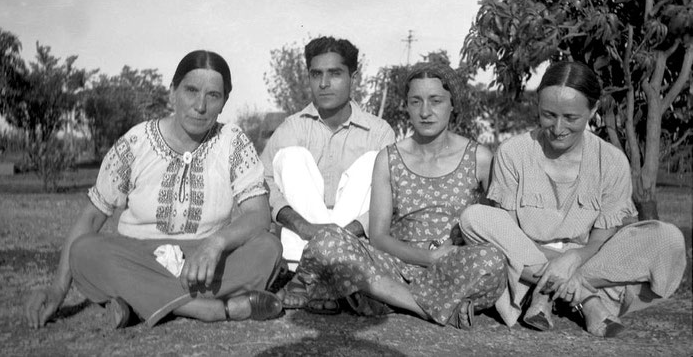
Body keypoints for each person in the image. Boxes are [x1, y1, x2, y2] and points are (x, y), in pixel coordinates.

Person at [24, 50, 283, 329]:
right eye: (191, 90)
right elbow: (91, 218)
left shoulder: (233, 142)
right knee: (84, 251)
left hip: (202, 265)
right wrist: (56, 290)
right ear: (172, 92)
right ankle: (209, 310)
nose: (200, 105)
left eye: (213, 95)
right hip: (138, 256)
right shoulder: (136, 143)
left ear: (224, 102)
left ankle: (139, 301)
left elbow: (258, 216)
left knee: (268, 248)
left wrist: (216, 244)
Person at [459, 61, 686, 337]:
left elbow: (602, 238)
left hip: (584, 261)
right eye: (548, 115)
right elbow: (510, 233)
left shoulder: (612, 161)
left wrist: (575, 257)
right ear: (538, 107)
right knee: (475, 217)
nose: (557, 128)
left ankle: (546, 293)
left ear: (593, 109)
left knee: (668, 238)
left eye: (571, 118)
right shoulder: (513, 153)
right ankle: (587, 299)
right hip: (529, 258)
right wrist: (556, 261)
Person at [281, 62, 507, 328]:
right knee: (327, 240)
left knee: (492, 261)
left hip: (452, 267)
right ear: (407, 105)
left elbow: (496, 226)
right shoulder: (389, 158)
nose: (425, 112)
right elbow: (378, 236)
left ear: (453, 103)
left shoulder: (479, 157)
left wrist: (445, 256)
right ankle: (425, 307)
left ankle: (378, 296)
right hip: (393, 264)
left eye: (436, 101)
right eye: (416, 101)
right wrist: (427, 258)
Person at [260, 36, 395, 310]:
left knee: (375, 162)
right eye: (316, 74)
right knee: (291, 156)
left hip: (355, 241)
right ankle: (333, 283)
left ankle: (314, 282)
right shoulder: (292, 128)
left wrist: (344, 235)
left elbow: (393, 198)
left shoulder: (379, 132)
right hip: (303, 239)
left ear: (352, 77)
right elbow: (263, 184)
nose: (324, 83)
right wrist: (302, 225)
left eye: (334, 74)